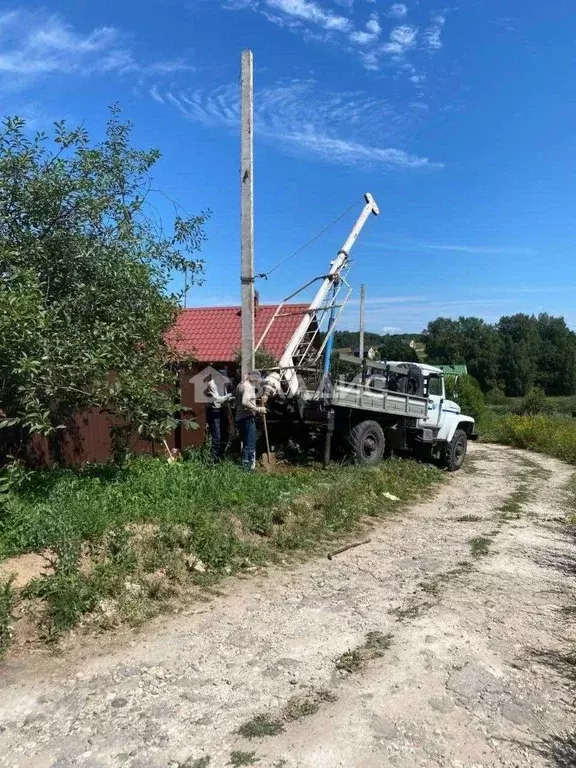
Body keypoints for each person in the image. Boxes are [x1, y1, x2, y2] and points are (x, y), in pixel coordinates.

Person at [235, 370, 266, 471]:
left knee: (245, 443)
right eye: (258, 380)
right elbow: (245, 401)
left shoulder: (241, 385)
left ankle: (245, 466)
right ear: (254, 378)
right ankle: (248, 470)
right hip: (248, 418)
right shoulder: (249, 386)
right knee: (250, 443)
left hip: (240, 418)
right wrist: (258, 409)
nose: (258, 383)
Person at [205, 369, 233, 463]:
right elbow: (217, 399)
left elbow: (225, 396)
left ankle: (221, 456)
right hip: (213, 411)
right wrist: (229, 396)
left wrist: (232, 397)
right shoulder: (211, 384)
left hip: (222, 410)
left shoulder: (224, 382)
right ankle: (213, 459)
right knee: (216, 436)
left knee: (226, 434)